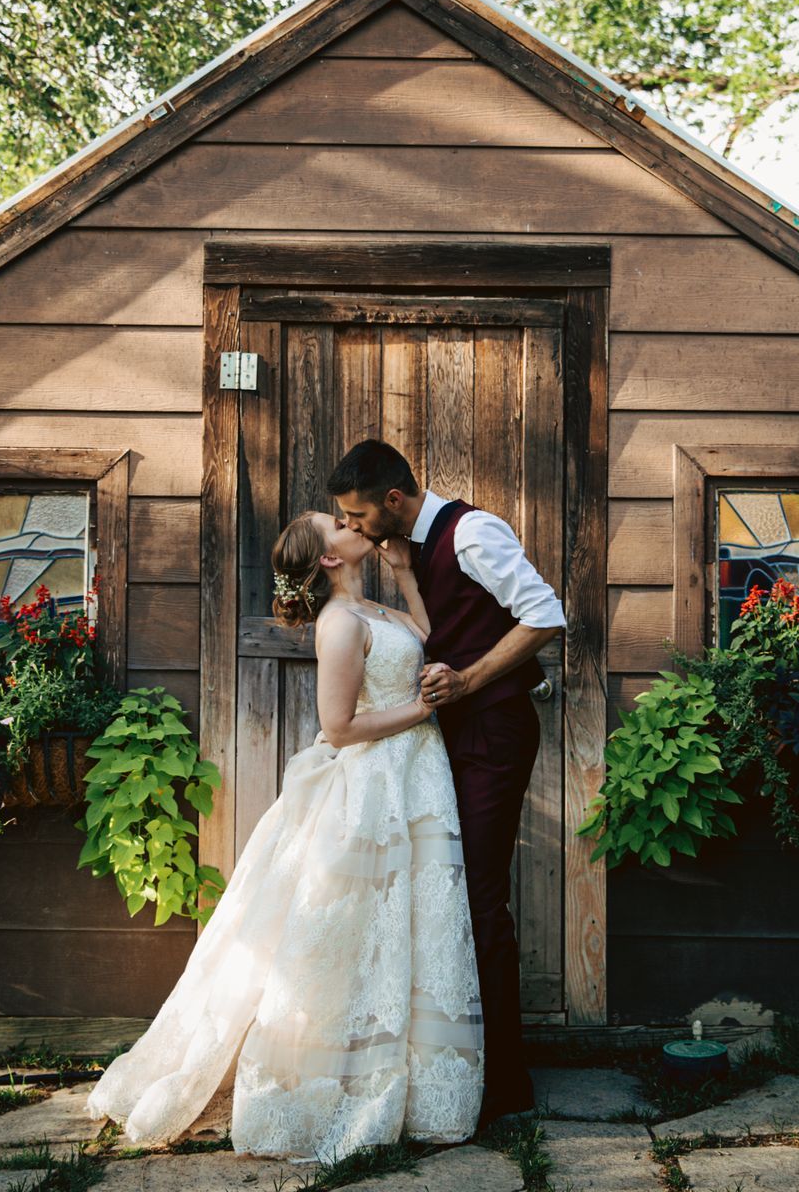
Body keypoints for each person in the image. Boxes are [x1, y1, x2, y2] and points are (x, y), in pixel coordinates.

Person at [85, 510, 484, 1164]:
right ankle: (324, 1084)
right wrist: (425, 709)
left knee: (415, 925)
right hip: (376, 785)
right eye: (338, 523)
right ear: (328, 559)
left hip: (416, 779)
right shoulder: (338, 623)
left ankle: (416, 1089)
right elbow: (338, 726)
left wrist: (409, 577)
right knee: (358, 933)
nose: (352, 521)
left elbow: (429, 639)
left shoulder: (378, 612)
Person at [327, 439, 566, 1130]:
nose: (356, 527)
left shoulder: (473, 532)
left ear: (393, 502)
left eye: (358, 514)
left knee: (481, 899)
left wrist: (468, 680)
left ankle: (506, 1083)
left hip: (492, 732)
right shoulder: (410, 550)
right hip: (446, 740)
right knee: (450, 896)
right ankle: (456, 1065)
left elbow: (545, 614)